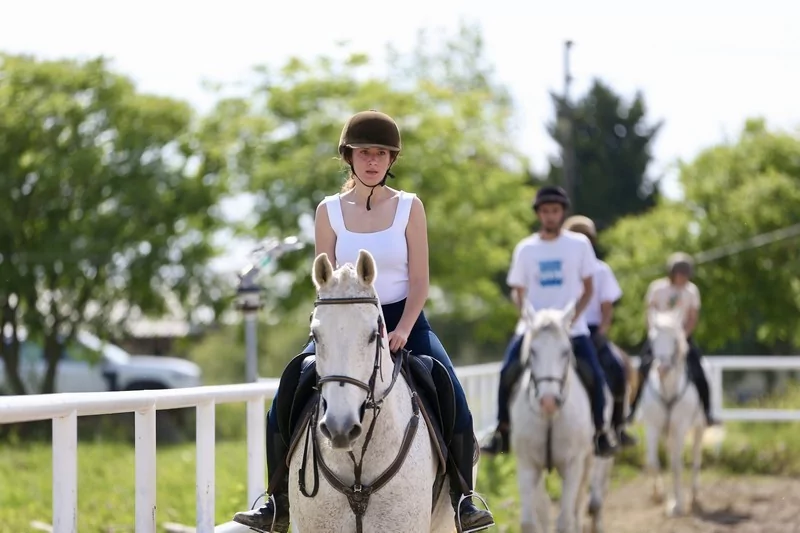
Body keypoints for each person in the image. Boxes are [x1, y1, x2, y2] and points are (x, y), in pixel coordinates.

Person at [232, 110, 495, 533]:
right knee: (288, 389)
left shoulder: (409, 207)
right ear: (348, 157)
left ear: (391, 160)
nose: (372, 160)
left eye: (381, 153)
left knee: (451, 391)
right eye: (364, 152)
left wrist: (404, 328)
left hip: (403, 318)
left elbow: (420, 281)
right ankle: (276, 500)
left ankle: (463, 498)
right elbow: (324, 279)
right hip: (345, 323)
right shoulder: (328, 211)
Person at [480, 186, 618, 458]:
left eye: (555, 211)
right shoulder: (525, 249)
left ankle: (601, 431)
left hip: (571, 329)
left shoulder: (579, 245)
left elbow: (589, 288)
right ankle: (502, 430)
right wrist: (526, 315)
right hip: (534, 329)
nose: (550, 216)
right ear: (538, 214)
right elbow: (517, 291)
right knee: (507, 372)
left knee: (594, 374)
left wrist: (572, 318)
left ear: (562, 212)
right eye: (545, 211)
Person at [562, 215, 637, 448]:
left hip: (591, 329)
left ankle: (617, 425)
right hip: (561, 327)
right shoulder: (561, 266)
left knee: (617, 369)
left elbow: (607, 308)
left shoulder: (601, 270)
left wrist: (601, 332)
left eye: (585, 238)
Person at [627, 252, 720, 426]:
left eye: (686, 275)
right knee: (642, 369)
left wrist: (682, 337)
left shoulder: (691, 291)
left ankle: (707, 412)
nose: (683, 278)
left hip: (681, 338)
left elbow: (692, 317)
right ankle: (632, 409)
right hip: (659, 337)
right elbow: (649, 312)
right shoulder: (657, 288)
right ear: (672, 273)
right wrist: (653, 334)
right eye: (680, 274)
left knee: (698, 370)